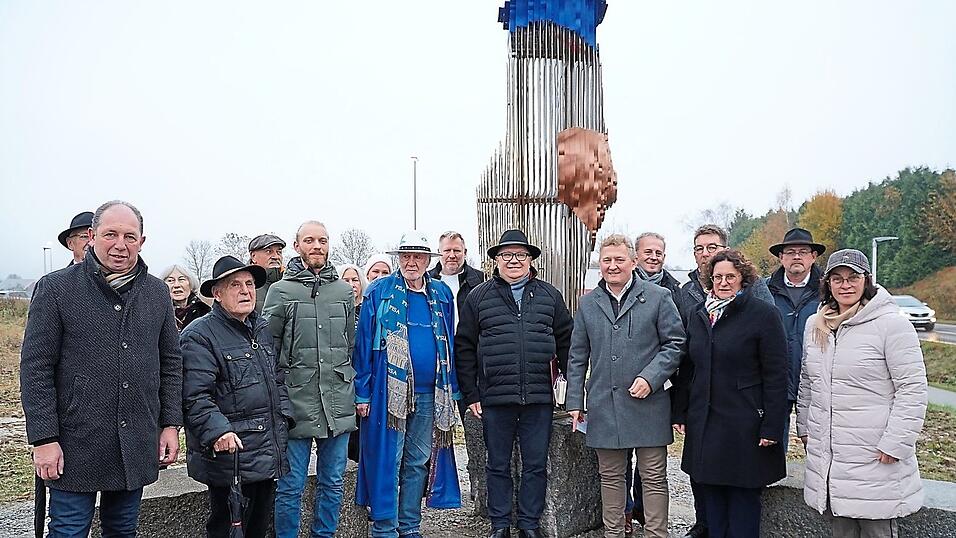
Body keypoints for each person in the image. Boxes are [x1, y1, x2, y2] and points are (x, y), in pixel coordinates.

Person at [20, 200, 182, 536]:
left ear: (142, 241)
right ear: (92, 236)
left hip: (134, 442)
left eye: (129, 236)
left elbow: (170, 363)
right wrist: (44, 438)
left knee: (122, 530)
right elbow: (36, 369)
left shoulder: (156, 293)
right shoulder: (56, 289)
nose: (120, 245)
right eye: (111, 234)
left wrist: (169, 424)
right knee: (68, 531)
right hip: (75, 443)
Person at [797, 249, 927, 537]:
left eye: (853, 277)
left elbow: (912, 388)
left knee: (875, 527)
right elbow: (808, 382)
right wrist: (805, 426)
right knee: (841, 528)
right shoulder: (816, 326)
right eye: (837, 278)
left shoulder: (891, 324)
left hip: (875, 455)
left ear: (866, 280)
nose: (846, 285)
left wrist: (896, 443)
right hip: (832, 456)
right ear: (827, 283)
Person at [456, 229, 573, 538]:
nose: (513, 261)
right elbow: (464, 346)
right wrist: (471, 394)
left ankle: (529, 525)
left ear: (531, 259)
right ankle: (499, 525)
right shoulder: (479, 297)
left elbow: (567, 343)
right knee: (497, 465)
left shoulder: (550, 296)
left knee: (535, 465)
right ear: (496, 260)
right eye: (506, 255)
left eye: (520, 255)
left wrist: (567, 387)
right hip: (495, 398)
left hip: (539, 397)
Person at [566, 234, 684, 538]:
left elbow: (675, 344)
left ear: (633, 262)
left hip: (649, 403)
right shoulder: (588, 303)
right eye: (607, 260)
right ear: (599, 264)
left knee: (654, 476)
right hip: (605, 404)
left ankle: (657, 534)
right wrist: (575, 402)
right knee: (611, 477)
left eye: (620, 259)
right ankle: (614, 533)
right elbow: (578, 355)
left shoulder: (658, 297)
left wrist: (651, 377)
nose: (613, 265)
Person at [672, 249, 788, 538]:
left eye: (730, 277)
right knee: (711, 502)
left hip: (744, 424)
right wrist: (680, 410)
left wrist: (773, 425)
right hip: (706, 422)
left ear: (743, 279)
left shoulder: (763, 315)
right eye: (717, 277)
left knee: (743, 502)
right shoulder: (700, 315)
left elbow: (776, 375)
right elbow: (688, 367)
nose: (723, 283)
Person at [354, 230, 462, 537]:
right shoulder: (380, 291)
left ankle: (410, 526)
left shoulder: (441, 293)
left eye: (418, 256)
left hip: (430, 393)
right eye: (405, 256)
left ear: (429, 260)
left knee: (417, 461)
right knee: (390, 458)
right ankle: (385, 528)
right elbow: (363, 344)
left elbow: (448, 344)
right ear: (398, 258)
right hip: (389, 392)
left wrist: (452, 387)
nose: (411, 262)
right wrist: (362, 392)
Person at [181, 256, 292, 538]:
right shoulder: (199, 335)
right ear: (217, 294)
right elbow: (194, 397)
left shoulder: (261, 328)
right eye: (235, 285)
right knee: (226, 528)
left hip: (265, 449)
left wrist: (284, 417)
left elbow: (277, 378)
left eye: (250, 284)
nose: (245, 291)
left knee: (257, 527)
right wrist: (219, 431)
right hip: (231, 455)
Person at [263, 221, 357, 538]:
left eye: (322, 240)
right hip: (294, 402)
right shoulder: (280, 291)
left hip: (337, 400)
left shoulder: (343, 292)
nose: (317, 245)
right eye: (309, 240)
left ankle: (324, 534)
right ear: (297, 244)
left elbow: (350, 343)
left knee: (333, 480)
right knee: (291, 484)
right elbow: (268, 348)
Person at [625, 231, 682, 530]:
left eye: (658, 251)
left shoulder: (674, 290)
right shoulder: (615, 284)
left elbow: (676, 339)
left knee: (651, 461)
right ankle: (623, 512)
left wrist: (655, 376)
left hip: (659, 384)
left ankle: (648, 517)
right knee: (620, 457)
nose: (653, 256)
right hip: (622, 384)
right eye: (647, 251)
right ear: (636, 256)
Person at [766, 228, 825, 444]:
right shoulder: (765, 291)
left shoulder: (828, 292)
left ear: (813, 256)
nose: (797, 256)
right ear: (781, 257)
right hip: (775, 379)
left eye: (803, 251)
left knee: (818, 441)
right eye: (790, 252)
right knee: (771, 440)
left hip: (815, 378)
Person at [427, 231, 486, 329]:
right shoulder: (426, 281)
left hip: (470, 342)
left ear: (465, 252)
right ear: (439, 252)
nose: (452, 255)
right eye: (447, 250)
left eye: (457, 250)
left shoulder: (481, 280)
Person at [160, 264, 211, 331]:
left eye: (181, 279)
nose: (176, 285)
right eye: (170, 281)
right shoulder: (158, 312)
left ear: (191, 285)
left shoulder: (204, 312)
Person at [248, 233, 286, 314]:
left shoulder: (290, 285)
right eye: (269, 251)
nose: (276, 257)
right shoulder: (243, 287)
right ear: (253, 256)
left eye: (279, 252)